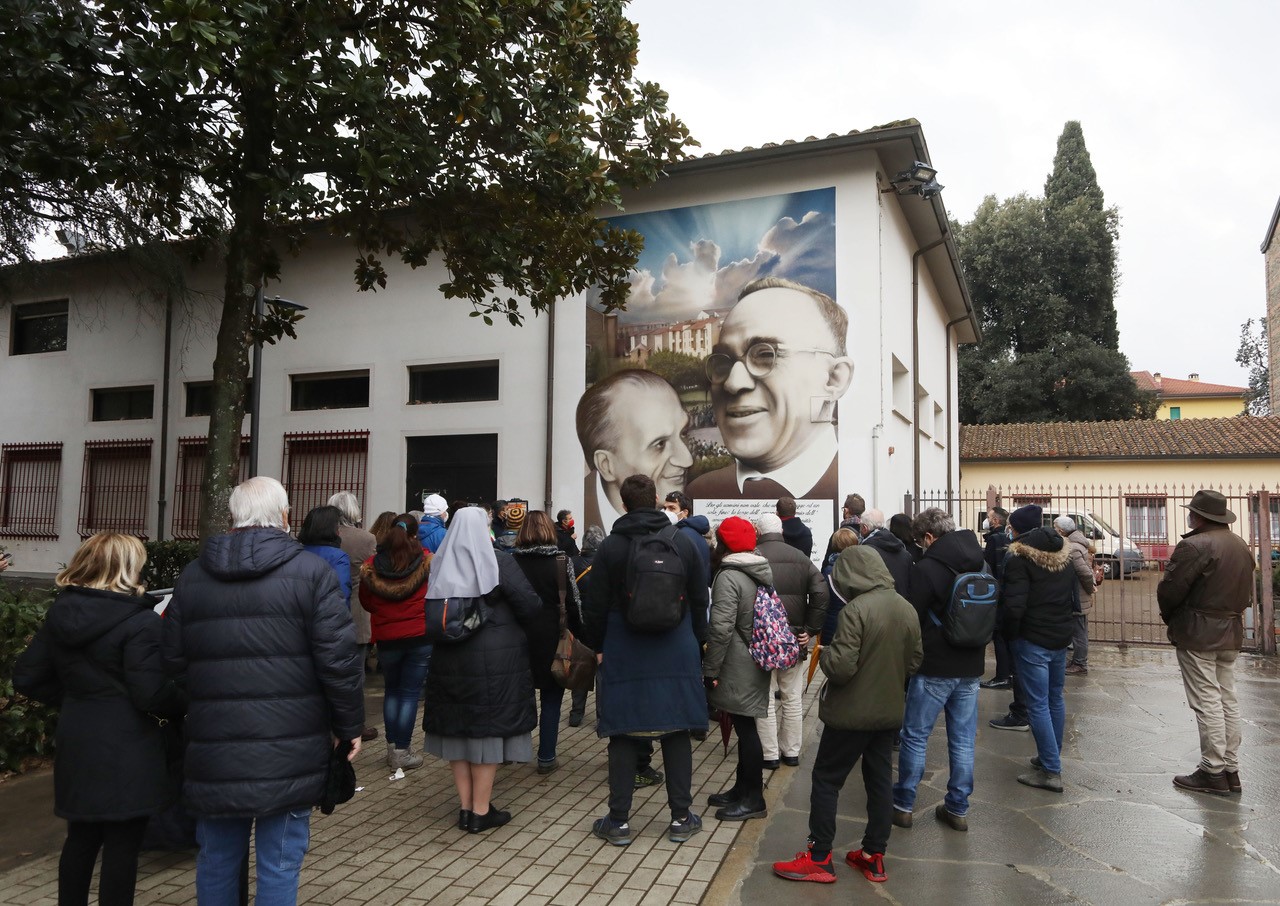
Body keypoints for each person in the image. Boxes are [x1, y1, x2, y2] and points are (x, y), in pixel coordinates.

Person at [162, 476, 363, 906]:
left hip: (215, 744)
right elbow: (339, 662)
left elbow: (173, 659)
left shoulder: (194, 575)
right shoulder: (313, 573)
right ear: (286, 516)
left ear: (233, 517)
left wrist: (207, 702)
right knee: (280, 862)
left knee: (216, 859)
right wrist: (348, 728)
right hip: (291, 745)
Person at [14, 534, 186, 906]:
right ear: (127, 568)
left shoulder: (61, 612)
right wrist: (185, 702)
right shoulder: (141, 622)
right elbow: (151, 693)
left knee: (80, 837)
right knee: (123, 845)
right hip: (130, 745)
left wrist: (79, 700)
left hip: (79, 738)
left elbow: (27, 676)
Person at [772, 546, 922, 885]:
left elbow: (840, 668)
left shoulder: (855, 610)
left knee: (827, 780)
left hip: (851, 713)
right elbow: (914, 661)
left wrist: (824, 654)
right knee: (879, 781)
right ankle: (873, 856)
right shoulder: (906, 607)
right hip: (887, 711)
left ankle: (819, 858)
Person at [581, 474, 710, 846]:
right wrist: (697, 641)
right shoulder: (683, 541)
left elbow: (595, 605)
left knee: (623, 730)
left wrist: (598, 645)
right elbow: (699, 598)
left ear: (623, 505)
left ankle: (619, 821)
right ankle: (681, 818)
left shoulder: (610, 546)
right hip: (677, 644)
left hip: (624, 645)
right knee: (677, 728)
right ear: (656, 500)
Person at [422, 507, 542, 832]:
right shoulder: (498, 561)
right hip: (495, 660)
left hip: (449, 660)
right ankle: (481, 811)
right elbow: (531, 605)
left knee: (458, 734)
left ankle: (465, 808)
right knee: (487, 734)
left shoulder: (439, 563)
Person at [686, 279, 853, 501]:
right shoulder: (701, 492)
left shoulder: (853, 485)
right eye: (722, 362)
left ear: (833, 379)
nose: (733, 383)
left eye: (765, 355)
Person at [892, 508, 984, 832]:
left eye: (920, 541)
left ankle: (903, 805)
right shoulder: (981, 563)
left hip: (934, 665)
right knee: (963, 740)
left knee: (916, 736)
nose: (920, 546)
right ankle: (957, 808)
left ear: (929, 537)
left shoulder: (927, 568)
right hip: (971, 665)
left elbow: (911, 617)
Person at [1158, 489, 1255, 796]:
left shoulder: (1194, 545)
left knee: (1208, 702)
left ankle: (1213, 771)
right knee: (1227, 700)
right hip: (1230, 631)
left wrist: (1172, 617)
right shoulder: (1240, 544)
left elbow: (1170, 591)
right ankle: (1230, 770)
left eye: (1192, 512)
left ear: (1199, 517)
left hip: (1199, 632)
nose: (1189, 516)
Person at [1000, 504, 1076, 793]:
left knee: (1038, 704)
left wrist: (1010, 636)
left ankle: (1051, 770)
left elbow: (1014, 606)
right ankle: (1049, 756)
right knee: (1054, 699)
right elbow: (1071, 597)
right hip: (1059, 635)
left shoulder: (1019, 559)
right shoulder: (1064, 553)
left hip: (1032, 638)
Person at [703, 516, 773, 821]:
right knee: (746, 727)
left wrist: (710, 670)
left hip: (737, 662)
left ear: (723, 544)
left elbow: (720, 629)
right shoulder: (758, 569)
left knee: (746, 730)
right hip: (754, 657)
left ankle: (754, 799)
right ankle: (742, 789)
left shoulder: (729, 575)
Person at [359, 513, 433, 771]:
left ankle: (392, 750)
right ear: (414, 535)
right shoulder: (425, 561)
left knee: (392, 691)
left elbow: (366, 601)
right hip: (419, 635)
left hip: (387, 637)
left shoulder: (372, 565)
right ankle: (403, 751)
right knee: (410, 694)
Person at [510, 510, 582, 774]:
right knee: (552, 699)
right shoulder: (562, 561)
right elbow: (574, 603)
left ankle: (510, 752)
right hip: (554, 638)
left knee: (518, 697)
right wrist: (583, 636)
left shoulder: (510, 561)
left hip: (517, 638)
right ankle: (546, 757)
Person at [576, 369, 693, 530]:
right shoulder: (576, 512)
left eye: (683, 433)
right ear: (606, 465)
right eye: (659, 444)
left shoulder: (684, 520)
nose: (686, 459)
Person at [754, 513, 828, 769]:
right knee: (792, 697)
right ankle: (791, 752)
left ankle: (769, 754)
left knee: (764, 697)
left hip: (762, 641)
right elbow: (821, 592)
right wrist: (811, 628)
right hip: (794, 640)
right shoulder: (800, 557)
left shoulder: (754, 556)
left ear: (758, 532)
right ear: (782, 532)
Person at [329, 492, 378, 739]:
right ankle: (356, 725)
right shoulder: (366, 538)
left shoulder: (323, 537)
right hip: (358, 609)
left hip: (327, 608)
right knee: (357, 672)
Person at [569, 525, 606, 728]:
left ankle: (576, 713)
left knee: (580, 668)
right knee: (602, 672)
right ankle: (602, 716)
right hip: (601, 625)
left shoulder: (573, 562)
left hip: (580, 625)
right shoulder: (606, 564)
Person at [1055, 515, 1096, 676]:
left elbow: (1084, 572)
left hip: (1078, 595)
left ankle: (1080, 663)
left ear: (1061, 530)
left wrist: (1089, 588)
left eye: (1056, 528)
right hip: (1079, 593)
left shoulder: (1072, 547)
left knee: (1079, 632)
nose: (1055, 530)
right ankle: (1077, 661)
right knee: (1079, 630)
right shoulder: (1078, 543)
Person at [981, 506, 1014, 690]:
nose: (986, 520)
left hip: (998, 593)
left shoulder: (994, 539)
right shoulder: (1007, 537)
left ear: (995, 521)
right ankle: (1009, 673)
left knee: (999, 636)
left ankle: (1002, 676)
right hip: (1006, 592)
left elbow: (989, 567)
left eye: (988, 517)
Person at [299, 505, 352, 605]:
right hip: (327, 611)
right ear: (333, 530)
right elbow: (341, 593)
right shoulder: (338, 557)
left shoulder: (295, 552)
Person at [662, 490, 712, 590]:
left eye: (672, 508)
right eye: (665, 508)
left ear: (685, 513)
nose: (666, 512)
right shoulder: (694, 532)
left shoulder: (681, 535)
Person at [857, 508, 913, 595]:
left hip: (876, 600)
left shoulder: (864, 552)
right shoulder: (904, 552)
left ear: (864, 528)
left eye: (860, 527)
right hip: (901, 600)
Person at [819, 528, 859, 645]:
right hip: (857, 621)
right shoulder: (862, 568)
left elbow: (822, 599)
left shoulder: (828, 571)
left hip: (833, 623)